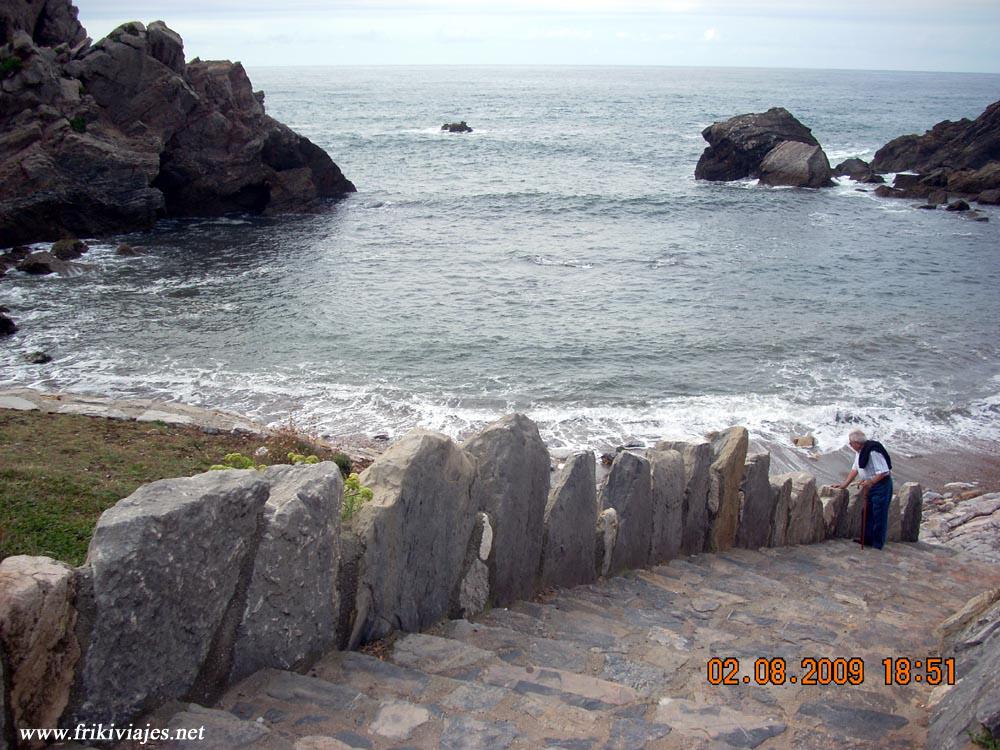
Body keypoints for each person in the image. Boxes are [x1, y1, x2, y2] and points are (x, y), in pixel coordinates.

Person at [833, 430, 893, 549]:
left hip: (880, 485)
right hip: (870, 485)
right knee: (867, 512)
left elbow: (883, 471)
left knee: (879, 514)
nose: (850, 445)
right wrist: (844, 484)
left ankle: (877, 543)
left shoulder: (873, 452)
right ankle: (867, 538)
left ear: (857, 443)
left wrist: (870, 482)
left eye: (851, 443)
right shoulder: (860, 452)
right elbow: (855, 469)